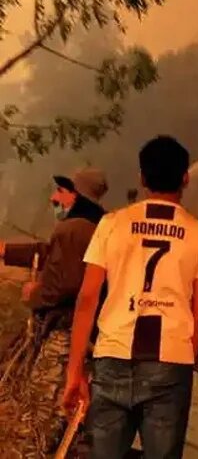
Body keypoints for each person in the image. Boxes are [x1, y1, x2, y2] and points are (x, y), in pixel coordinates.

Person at [62, 136, 198, 459]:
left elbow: (88, 298)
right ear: (185, 177)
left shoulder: (111, 224)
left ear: (142, 178)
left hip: (112, 357)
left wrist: (74, 370)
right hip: (170, 364)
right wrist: (183, 365)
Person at [0, 167, 107, 457]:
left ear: (76, 194)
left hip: (64, 336)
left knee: (42, 416)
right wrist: (6, 250)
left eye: (61, 191)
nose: (54, 197)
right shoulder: (96, 226)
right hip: (87, 337)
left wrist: (33, 294)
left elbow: (63, 285)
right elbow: (49, 254)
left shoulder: (72, 230)